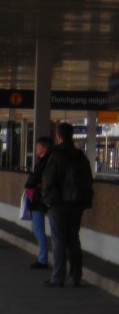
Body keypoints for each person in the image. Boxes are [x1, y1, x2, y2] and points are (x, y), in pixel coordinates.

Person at [41, 122, 94, 287]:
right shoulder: (81, 156)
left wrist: (47, 198)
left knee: (59, 241)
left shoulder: (56, 155)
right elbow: (88, 178)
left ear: (58, 136)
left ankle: (57, 278)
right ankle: (75, 277)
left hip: (59, 204)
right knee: (74, 240)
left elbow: (48, 180)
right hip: (77, 203)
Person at [25, 136, 53, 268]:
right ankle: (43, 257)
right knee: (38, 228)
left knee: (38, 229)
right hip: (42, 197)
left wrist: (29, 183)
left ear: (45, 148)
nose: (35, 148)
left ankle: (42, 259)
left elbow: (34, 179)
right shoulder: (45, 161)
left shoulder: (44, 162)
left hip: (39, 198)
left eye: (38, 146)